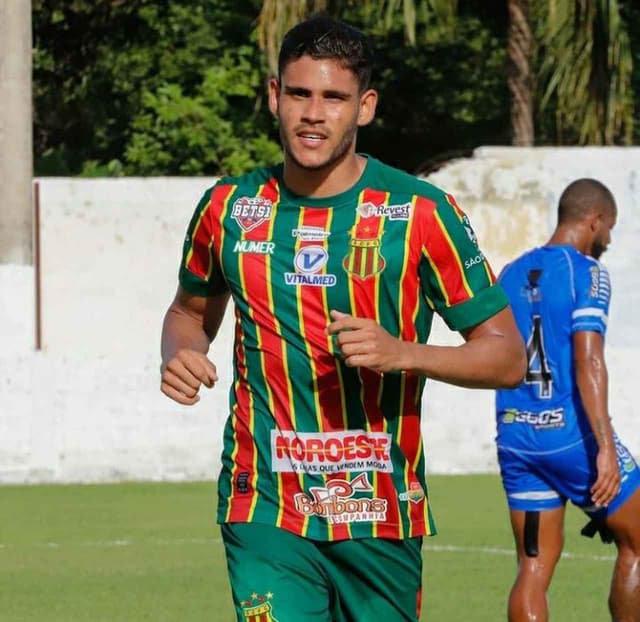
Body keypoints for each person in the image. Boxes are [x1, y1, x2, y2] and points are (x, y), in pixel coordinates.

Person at [161, 15, 526, 622]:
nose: (313, 113)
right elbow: (187, 313)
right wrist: (178, 351)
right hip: (265, 504)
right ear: (275, 96)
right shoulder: (231, 208)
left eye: (334, 97)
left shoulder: (420, 213)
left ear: (365, 107)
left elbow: (508, 356)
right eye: (299, 93)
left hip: (381, 507)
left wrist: (405, 352)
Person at [495, 178, 640, 622]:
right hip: (570, 435)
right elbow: (588, 361)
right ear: (594, 221)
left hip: (516, 436)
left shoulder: (510, 273)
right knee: (637, 541)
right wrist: (604, 451)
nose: (609, 240)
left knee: (533, 567)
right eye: (609, 229)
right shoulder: (588, 273)